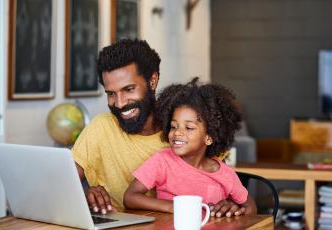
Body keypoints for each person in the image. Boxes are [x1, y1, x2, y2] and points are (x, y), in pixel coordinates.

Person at [72, 39, 255, 217]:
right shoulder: (101, 128)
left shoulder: (190, 134)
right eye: (111, 93)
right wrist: (85, 194)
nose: (119, 103)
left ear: (152, 80)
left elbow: (220, 185)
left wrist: (231, 205)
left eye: (129, 89)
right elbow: (60, 185)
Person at [123, 78, 257, 217]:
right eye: (174, 126)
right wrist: (174, 207)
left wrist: (233, 208)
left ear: (209, 137)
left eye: (189, 127)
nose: (177, 132)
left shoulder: (225, 174)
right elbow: (130, 197)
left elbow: (251, 207)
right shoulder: (162, 161)